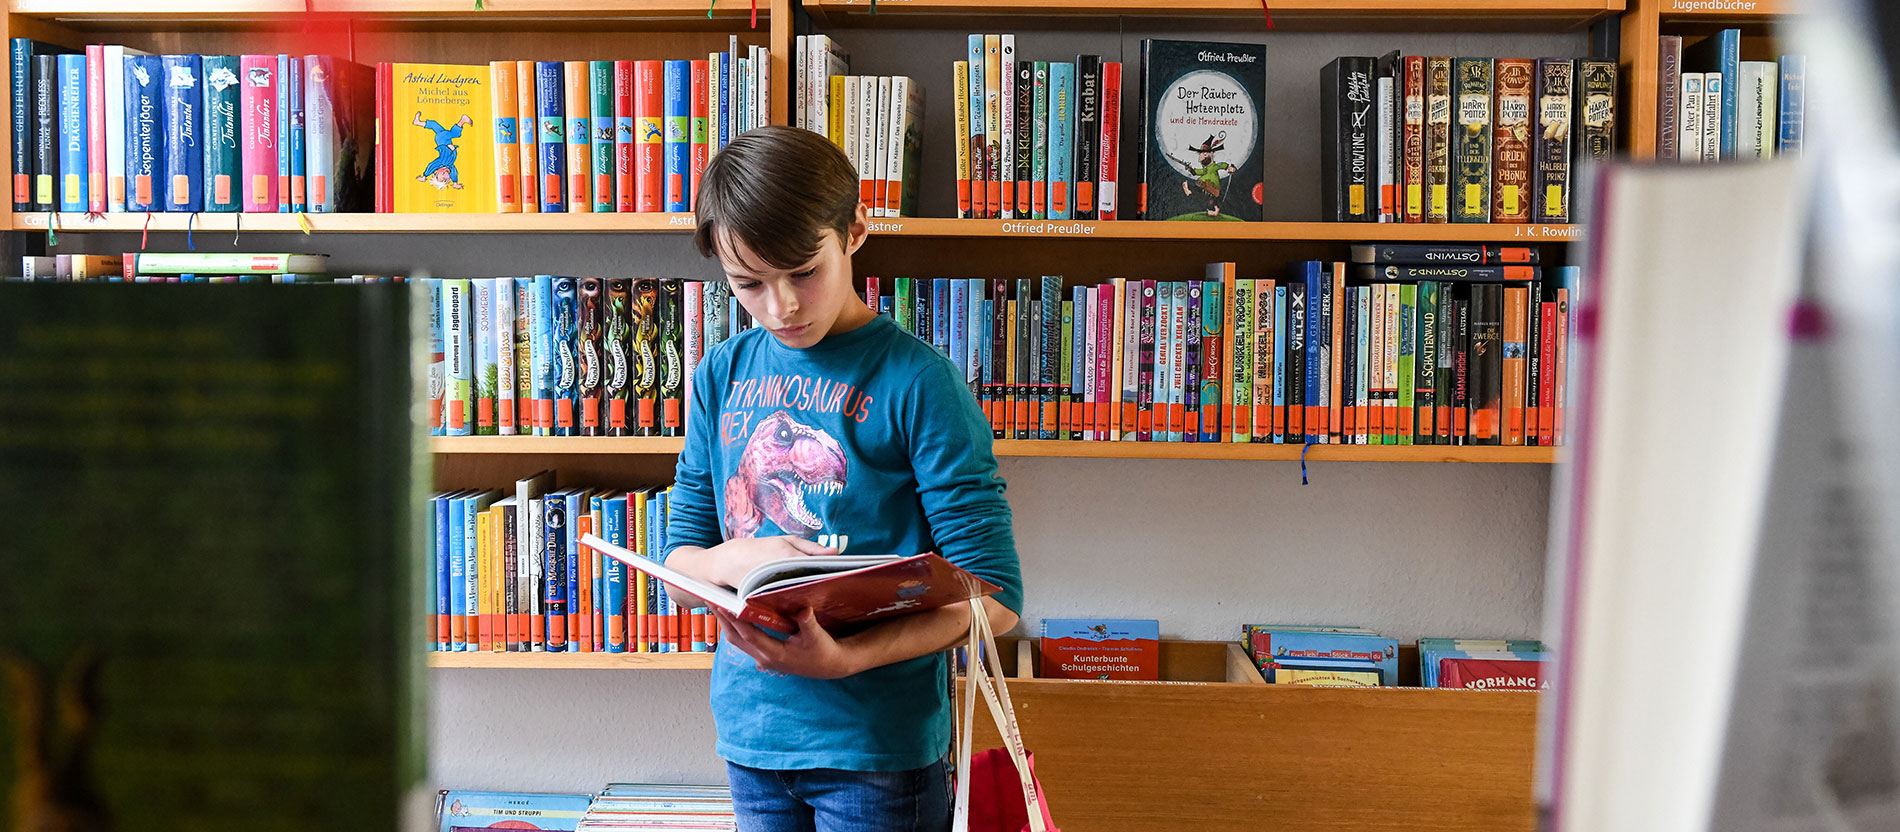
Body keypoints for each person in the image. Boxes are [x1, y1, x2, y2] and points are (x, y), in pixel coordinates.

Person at [663, 125, 1025, 832]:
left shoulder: (919, 384)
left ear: (855, 230)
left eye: (803, 271)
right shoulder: (719, 374)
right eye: (749, 284)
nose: (782, 307)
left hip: (879, 753)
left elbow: (997, 599)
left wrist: (846, 660)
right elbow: (680, 561)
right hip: (753, 740)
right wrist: (740, 560)